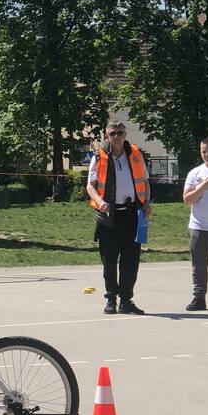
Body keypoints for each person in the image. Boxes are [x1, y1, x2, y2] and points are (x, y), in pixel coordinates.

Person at [86, 122, 151, 314]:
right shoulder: (99, 156)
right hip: (108, 216)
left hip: (132, 214)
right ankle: (111, 299)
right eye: (112, 133)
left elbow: (145, 182)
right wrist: (100, 202)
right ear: (107, 136)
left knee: (131, 261)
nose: (116, 136)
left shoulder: (135, 154)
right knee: (109, 261)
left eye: (120, 133)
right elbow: (90, 186)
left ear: (125, 134)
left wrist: (146, 203)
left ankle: (126, 301)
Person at [182, 136, 208, 311]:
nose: (207, 154)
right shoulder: (195, 173)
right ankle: (199, 298)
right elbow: (187, 199)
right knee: (199, 266)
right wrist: (202, 187)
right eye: (204, 151)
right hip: (199, 227)